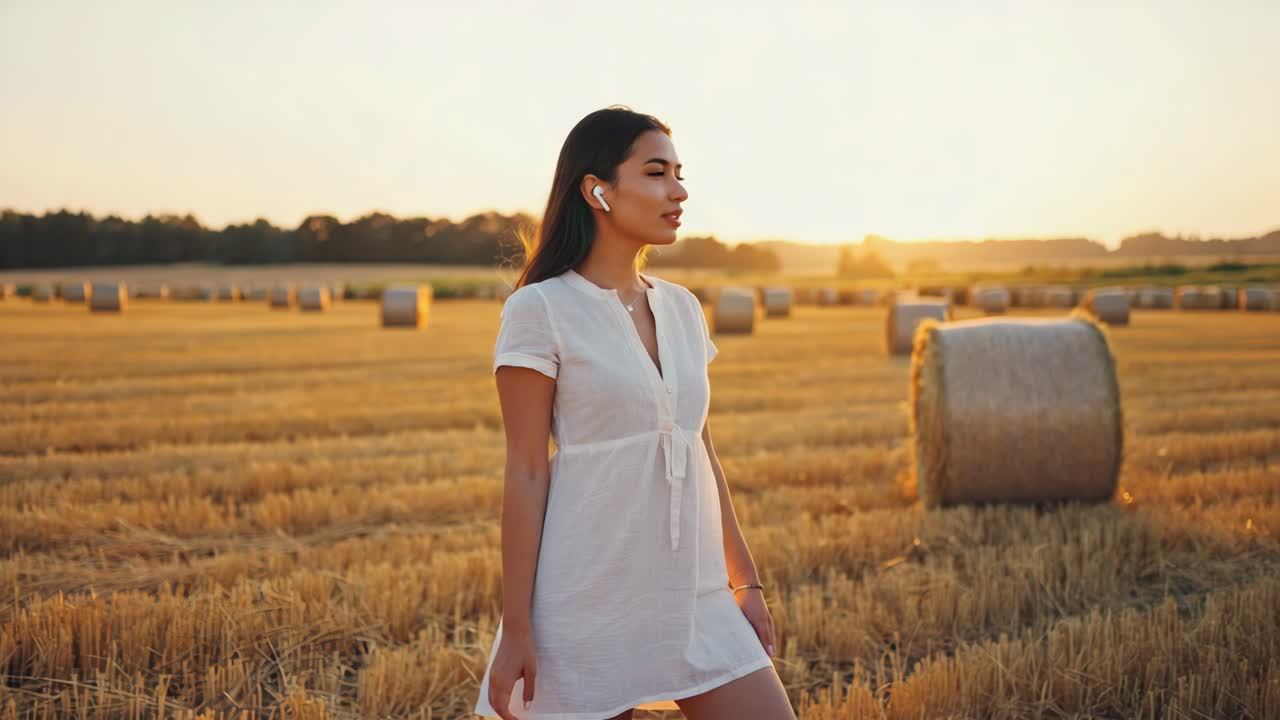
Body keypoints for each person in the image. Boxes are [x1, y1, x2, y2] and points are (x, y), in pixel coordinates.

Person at [473, 106, 796, 720]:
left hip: (692, 594)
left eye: (678, 173)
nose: (678, 191)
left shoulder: (681, 308)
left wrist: (744, 583)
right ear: (597, 190)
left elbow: (699, 449)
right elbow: (525, 471)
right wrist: (518, 627)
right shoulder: (541, 310)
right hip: (586, 595)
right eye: (655, 173)